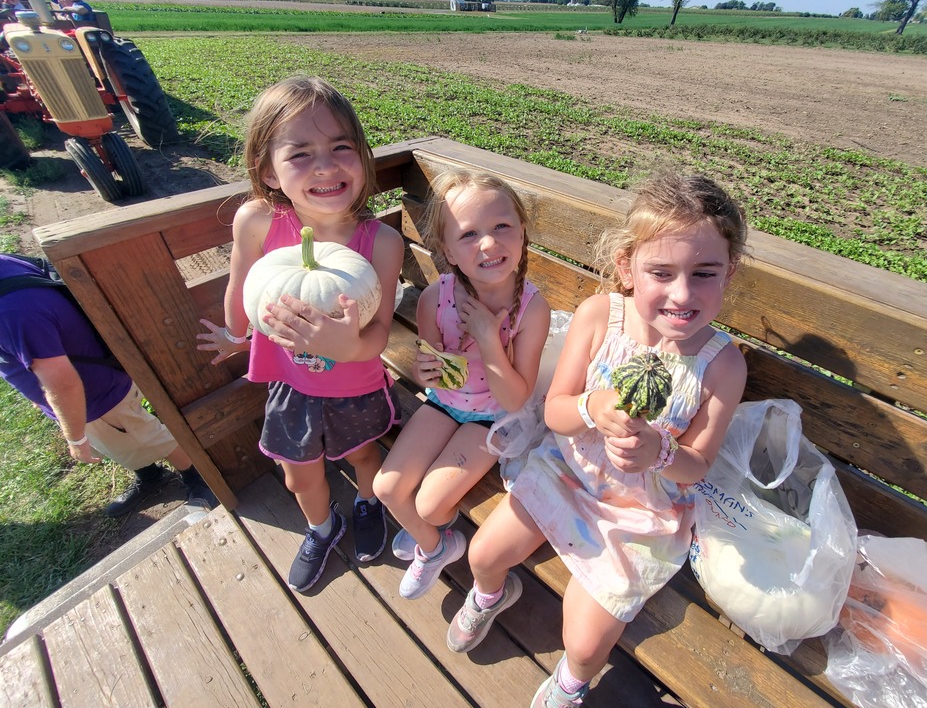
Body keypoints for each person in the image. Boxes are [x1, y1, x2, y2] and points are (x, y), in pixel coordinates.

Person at [447, 172, 749, 707]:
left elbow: (698, 464)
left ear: (730, 272)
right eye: (662, 272)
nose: (683, 293)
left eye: (704, 273)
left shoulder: (721, 365)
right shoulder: (598, 317)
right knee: (483, 554)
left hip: (639, 510)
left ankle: (572, 682)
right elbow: (558, 413)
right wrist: (591, 405)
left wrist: (661, 452)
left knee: (584, 642)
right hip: (567, 470)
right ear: (626, 268)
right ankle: (492, 594)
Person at [197, 75, 403, 593]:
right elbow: (243, 288)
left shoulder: (379, 243)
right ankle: (322, 527)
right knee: (297, 474)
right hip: (288, 386)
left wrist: (349, 346)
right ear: (268, 169)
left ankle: (366, 501)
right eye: (301, 154)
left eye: (341, 147)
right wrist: (235, 335)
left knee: (363, 455)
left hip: (355, 384)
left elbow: (378, 332)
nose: (327, 166)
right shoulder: (258, 222)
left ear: (362, 155)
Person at [373, 170, 550, 600]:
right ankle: (436, 547)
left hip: (491, 416)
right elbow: (430, 362)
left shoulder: (531, 310)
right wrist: (423, 371)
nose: (488, 244)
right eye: (469, 235)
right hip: (445, 402)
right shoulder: (438, 298)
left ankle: (431, 529)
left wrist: (490, 338)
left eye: (501, 227)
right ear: (449, 251)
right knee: (386, 488)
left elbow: (514, 397)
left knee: (429, 505)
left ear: (522, 232)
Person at [0, 253, 218, 517]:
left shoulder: (12, 312)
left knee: (148, 436)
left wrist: (75, 437)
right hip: (86, 393)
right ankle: (150, 473)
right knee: (120, 441)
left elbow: (63, 383)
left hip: (97, 397)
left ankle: (198, 477)